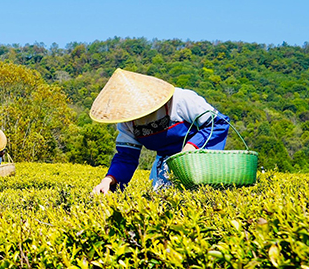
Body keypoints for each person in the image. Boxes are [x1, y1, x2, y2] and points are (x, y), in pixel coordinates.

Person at [89, 68, 230, 193]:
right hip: (164, 167)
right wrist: (108, 180)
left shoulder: (180, 100)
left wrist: (191, 147)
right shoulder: (126, 121)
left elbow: (219, 124)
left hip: (199, 162)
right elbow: (126, 156)